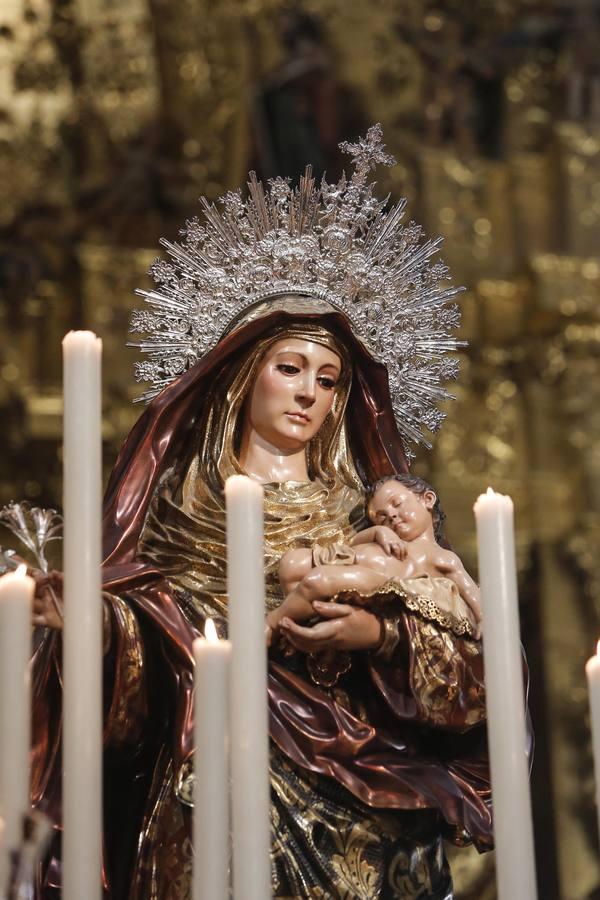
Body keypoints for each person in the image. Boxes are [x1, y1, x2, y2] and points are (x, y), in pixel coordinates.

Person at [30, 127, 495, 899]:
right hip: (205, 791)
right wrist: (96, 626)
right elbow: (143, 671)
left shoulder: (371, 515)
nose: (310, 391)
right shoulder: (176, 511)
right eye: (290, 368)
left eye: (330, 377)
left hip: (362, 807)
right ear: (246, 378)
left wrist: (378, 635)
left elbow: (470, 676)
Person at [272, 473, 482, 645]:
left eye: (397, 503)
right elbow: (351, 543)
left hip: (378, 581)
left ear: (427, 499)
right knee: (292, 563)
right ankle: (303, 619)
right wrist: (378, 532)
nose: (390, 515)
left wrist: (484, 619)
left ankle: (272, 625)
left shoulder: (442, 556)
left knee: (318, 580)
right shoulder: (385, 536)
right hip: (344, 558)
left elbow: (470, 589)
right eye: (381, 516)